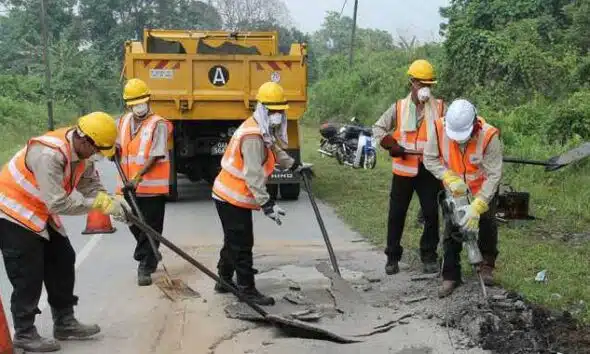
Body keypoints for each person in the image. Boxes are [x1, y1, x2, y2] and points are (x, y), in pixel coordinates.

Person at [0, 112, 130, 352]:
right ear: (84, 140)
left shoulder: (84, 152)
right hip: (13, 210)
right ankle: (25, 332)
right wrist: (99, 205)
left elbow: (90, 185)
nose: (96, 155)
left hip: (39, 209)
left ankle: (65, 321)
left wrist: (111, 201)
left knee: (63, 258)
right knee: (27, 271)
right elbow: (58, 203)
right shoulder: (48, 154)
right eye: (96, 150)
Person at [211, 81, 308, 306]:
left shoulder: (262, 128)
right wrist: (268, 204)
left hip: (231, 196)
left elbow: (275, 150)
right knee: (242, 243)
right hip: (230, 197)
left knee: (233, 240)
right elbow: (253, 175)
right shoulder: (253, 135)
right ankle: (247, 290)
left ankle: (223, 279)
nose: (277, 114)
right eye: (273, 110)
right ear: (264, 109)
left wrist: (295, 166)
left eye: (279, 110)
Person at [372, 59, 446, 275]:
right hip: (403, 170)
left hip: (428, 169)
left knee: (431, 214)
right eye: (421, 83)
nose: (426, 88)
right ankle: (392, 257)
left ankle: (429, 256)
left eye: (429, 84)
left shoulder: (440, 107)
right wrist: (390, 145)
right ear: (411, 82)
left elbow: (451, 132)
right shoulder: (399, 107)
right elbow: (378, 128)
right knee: (397, 214)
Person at [423, 99, 502, 298]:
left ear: (474, 124)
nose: (458, 141)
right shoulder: (440, 128)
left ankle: (487, 266)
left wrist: (479, 204)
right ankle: (450, 275)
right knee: (452, 229)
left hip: (483, 189)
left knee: (487, 225)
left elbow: (494, 175)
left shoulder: (489, 136)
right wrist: (447, 176)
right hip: (455, 189)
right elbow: (429, 158)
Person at [116, 78, 173, 286]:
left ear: (148, 101)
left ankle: (145, 265)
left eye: (142, 101)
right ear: (128, 104)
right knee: (133, 222)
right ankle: (152, 252)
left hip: (151, 186)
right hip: (128, 187)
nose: (139, 106)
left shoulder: (158, 124)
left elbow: (157, 154)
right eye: (134, 102)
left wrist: (137, 178)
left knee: (151, 226)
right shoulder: (123, 122)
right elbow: (118, 146)